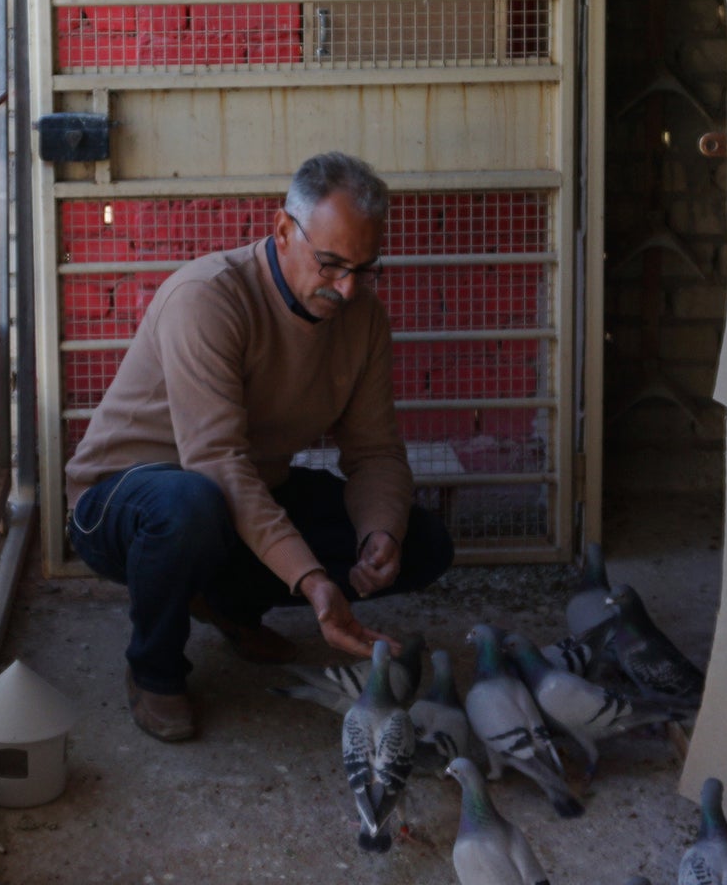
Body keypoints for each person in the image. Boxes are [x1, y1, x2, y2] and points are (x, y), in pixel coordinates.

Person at [64, 152, 455, 742]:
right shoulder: (208, 298)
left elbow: (374, 451)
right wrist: (314, 580)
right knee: (190, 505)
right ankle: (154, 669)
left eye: (366, 269)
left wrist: (381, 534)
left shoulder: (363, 320)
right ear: (282, 231)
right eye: (330, 265)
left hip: (230, 496)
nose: (348, 288)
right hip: (122, 501)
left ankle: (221, 601)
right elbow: (216, 463)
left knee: (422, 541)